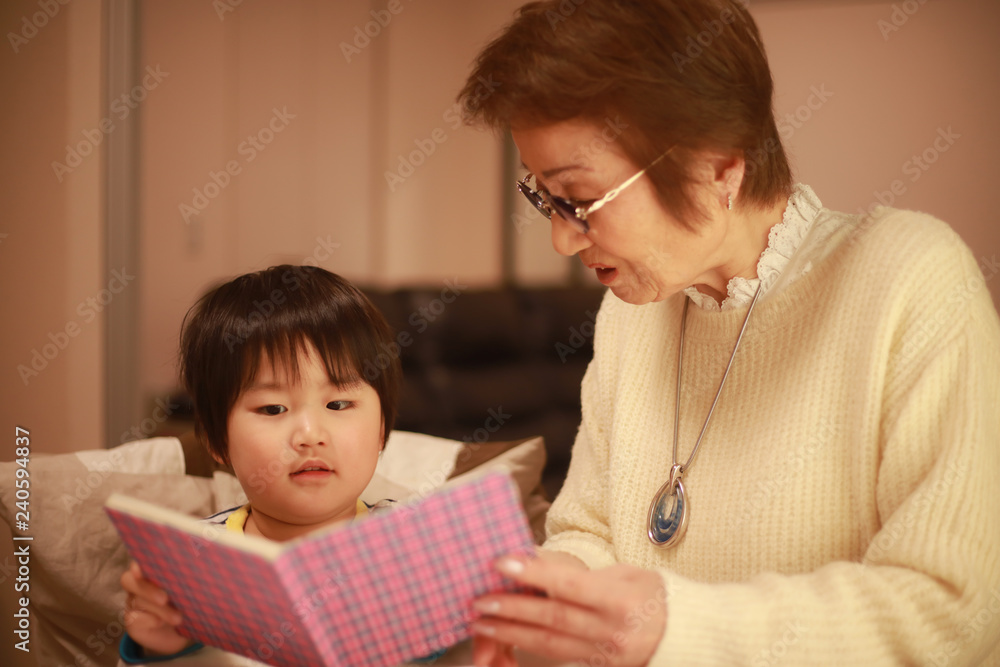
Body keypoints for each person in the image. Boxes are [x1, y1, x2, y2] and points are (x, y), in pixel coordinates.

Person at [456, 1, 1000, 665]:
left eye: (579, 199)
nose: (562, 239)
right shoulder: (634, 310)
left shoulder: (910, 278)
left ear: (719, 167)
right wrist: (538, 611)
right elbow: (588, 530)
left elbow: (952, 610)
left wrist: (672, 628)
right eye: (544, 198)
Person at [118, 264, 403, 664]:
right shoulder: (195, 564)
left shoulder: (411, 540)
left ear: (381, 430)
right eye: (272, 408)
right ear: (219, 440)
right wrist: (157, 647)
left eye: (338, 404)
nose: (309, 434)